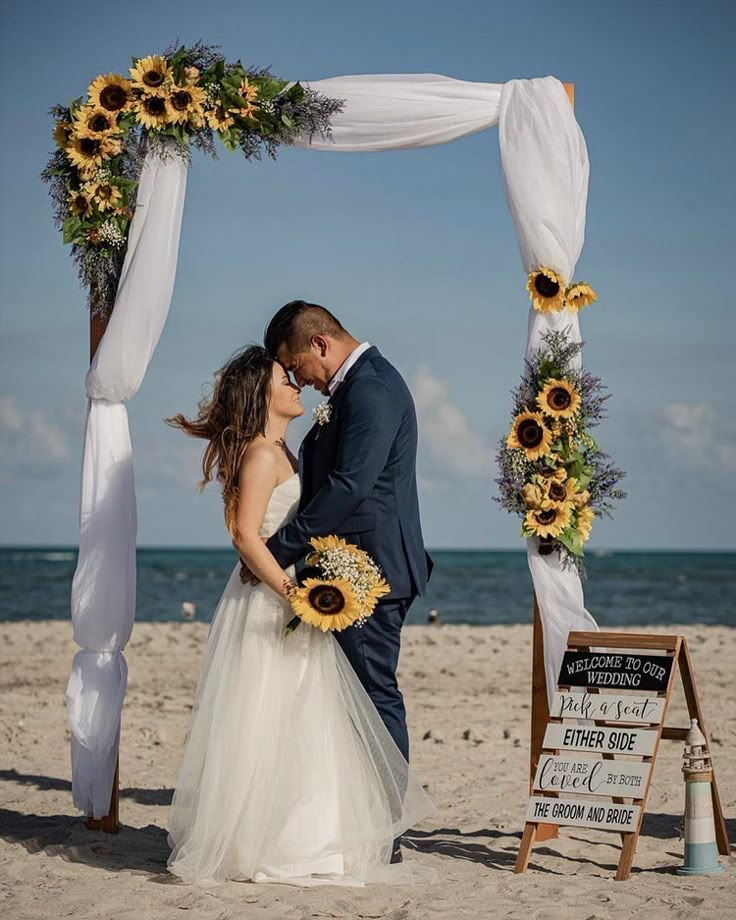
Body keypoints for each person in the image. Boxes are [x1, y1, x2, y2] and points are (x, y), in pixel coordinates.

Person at [165, 345, 435, 887]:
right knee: (269, 716)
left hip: (294, 597)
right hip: (272, 600)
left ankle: (305, 833)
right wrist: (291, 590)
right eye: (282, 378)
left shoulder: (286, 450)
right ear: (260, 395)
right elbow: (245, 535)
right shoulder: (263, 455)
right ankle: (267, 839)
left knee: (303, 719)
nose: (294, 384)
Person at [242, 300, 434, 864]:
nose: (298, 379)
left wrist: (276, 551)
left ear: (320, 344)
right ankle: (359, 820)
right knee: (347, 702)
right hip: (345, 570)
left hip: (370, 572)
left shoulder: (371, 389)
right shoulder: (353, 390)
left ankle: (384, 831)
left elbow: (350, 487)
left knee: (373, 699)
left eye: (295, 365)